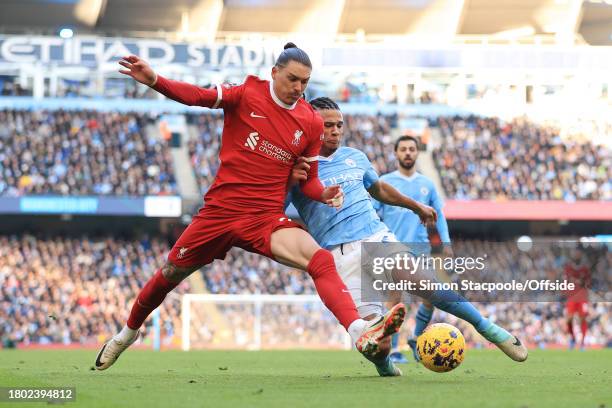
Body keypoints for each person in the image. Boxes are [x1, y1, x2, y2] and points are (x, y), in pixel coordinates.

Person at [95, 43, 406, 371]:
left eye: (305, 82)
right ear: (274, 73)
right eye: (292, 79)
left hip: (265, 217)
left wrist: (323, 192)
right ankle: (126, 334)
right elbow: (196, 96)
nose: (298, 88)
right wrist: (155, 79)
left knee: (320, 260)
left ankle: (359, 331)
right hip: (220, 212)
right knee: (170, 274)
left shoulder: (310, 122)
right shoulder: (246, 93)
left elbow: (310, 181)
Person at [288, 97, 528, 373]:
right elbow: (275, 210)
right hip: (338, 258)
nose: (336, 130)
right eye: (327, 125)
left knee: (424, 284)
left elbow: (378, 189)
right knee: (378, 345)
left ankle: (488, 329)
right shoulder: (297, 167)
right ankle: (384, 363)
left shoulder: (355, 157)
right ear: (310, 125)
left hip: (376, 238)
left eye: (339, 125)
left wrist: (416, 207)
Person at [373, 135, 451, 363]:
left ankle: (416, 338)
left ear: (417, 153)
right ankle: (394, 349)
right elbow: (374, 213)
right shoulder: (384, 182)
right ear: (396, 153)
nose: (407, 152)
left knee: (431, 297)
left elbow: (440, 216)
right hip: (392, 250)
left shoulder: (427, 184)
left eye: (411, 149)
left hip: (421, 251)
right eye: (403, 149)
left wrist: (445, 242)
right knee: (395, 300)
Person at [564, 249, 591, 350]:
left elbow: (588, 283)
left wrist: (580, 282)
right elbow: (566, 281)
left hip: (582, 297)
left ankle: (583, 342)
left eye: (578, 253)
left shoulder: (585, 269)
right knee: (569, 319)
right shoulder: (568, 268)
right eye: (575, 253)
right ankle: (573, 338)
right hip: (572, 297)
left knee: (583, 319)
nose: (576, 255)